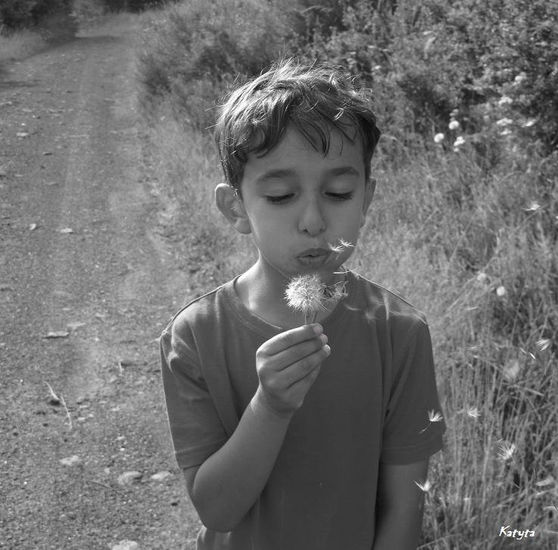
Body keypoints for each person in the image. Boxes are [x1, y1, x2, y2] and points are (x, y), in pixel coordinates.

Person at [160, 58, 446, 550]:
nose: (313, 219)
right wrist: (269, 407)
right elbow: (217, 508)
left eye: (338, 191)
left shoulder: (399, 332)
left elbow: (405, 504)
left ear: (366, 199)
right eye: (280, 194)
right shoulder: (195, 336)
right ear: (236, 209)